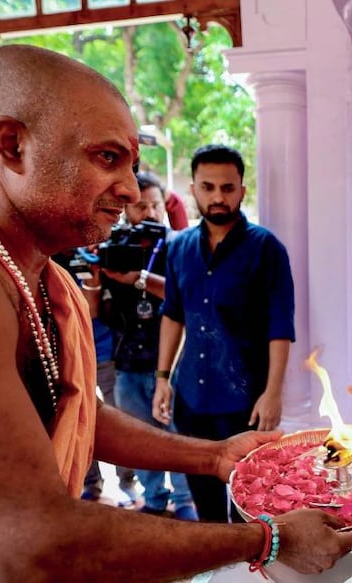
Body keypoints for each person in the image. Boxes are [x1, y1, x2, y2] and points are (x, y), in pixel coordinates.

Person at [0, 44, 352, 582]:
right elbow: (32, 543)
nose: (130, 189)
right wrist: (265, 541)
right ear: (12, 145)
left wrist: (215, 455)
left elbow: (67, 411)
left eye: (131, 163)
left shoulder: (32, 272)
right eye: (107, 158)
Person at [154, 144, 296, 523]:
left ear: (242, 191)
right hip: (191, 399)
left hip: (244, 401)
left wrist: (272, 393)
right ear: (194, 189)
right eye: (208, 187)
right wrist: (163, 377)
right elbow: (172, 314)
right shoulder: (179, 247)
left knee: (250, 504)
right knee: (206, 505)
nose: (218, 197)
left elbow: (280, 326)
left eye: (228, 188)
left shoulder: (266, 249)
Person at [82, 170, 197, 519]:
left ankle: (185, 500)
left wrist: (140, 279)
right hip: (127, 359)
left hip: (172, 360)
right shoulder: (111, 246)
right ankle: (155, 497)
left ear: (165, 206)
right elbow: (93, 311)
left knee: (177, 434)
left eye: (155, 205)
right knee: (141, 436)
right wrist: (97, 276)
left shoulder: (179, 246)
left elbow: (186, 299)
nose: (148, 213)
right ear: (127, 209)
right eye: (140, 206)